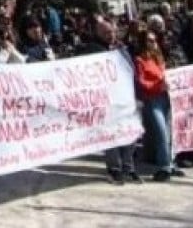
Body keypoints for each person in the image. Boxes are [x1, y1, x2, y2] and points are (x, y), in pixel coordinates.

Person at [77, 19, 143, 183]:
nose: (110, 35)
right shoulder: (92, 50)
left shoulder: (121, 49)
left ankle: (129, 167)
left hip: (125, 96)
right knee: (110, 134)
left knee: (129, 131)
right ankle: (115, 168)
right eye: (106, 32)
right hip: (105, 99)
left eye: (112, 31)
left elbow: (132, 70)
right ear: (98, 33)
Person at [135, 30, 180, 182]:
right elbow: (141, 82)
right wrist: (157, 86)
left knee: (168, 132)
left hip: (166, 98)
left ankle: (170, 163)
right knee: (161, 133)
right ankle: (164, 165)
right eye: (149, 40)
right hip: (152, 99)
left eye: (154, 40)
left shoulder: (159, 58)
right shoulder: (140, 60)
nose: (153, 43)